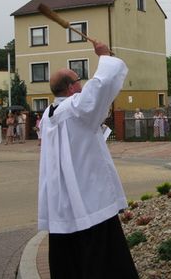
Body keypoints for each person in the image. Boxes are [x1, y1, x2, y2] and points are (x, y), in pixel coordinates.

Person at [38, 40, 138, 279]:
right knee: (103, 261)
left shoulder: (49, 114)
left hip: (62, 204)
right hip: (89, 198)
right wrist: (104, 56)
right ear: (71, 88)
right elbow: (101, 85)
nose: (82, 85)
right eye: (78, 80)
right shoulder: (75, 110)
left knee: (70, 262)